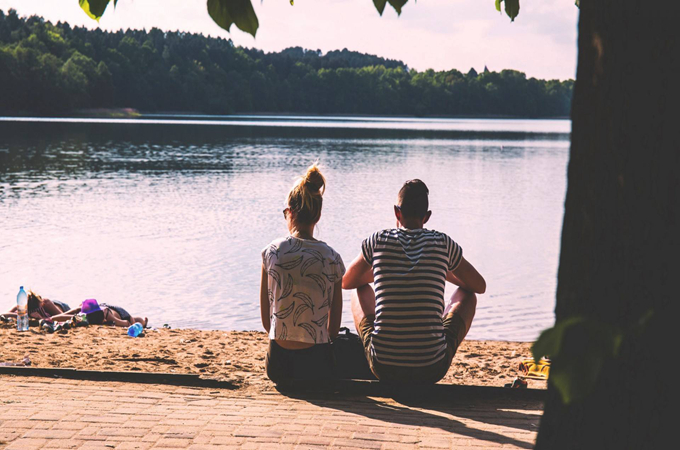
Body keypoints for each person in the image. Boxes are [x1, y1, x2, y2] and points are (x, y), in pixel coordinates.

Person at [342, 179, 486, 384]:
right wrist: (439, 267)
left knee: (359, 289)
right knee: (468, 294)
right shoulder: (442, 243)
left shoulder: (378, 240)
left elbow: (347, 282)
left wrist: (387, 268)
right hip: (431, 367)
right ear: (427, 217)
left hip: (383, 366)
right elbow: (479, 286)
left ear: (396, 212)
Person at [260, 163, 345, 384]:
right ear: (317, 216)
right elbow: (333, 330)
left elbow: (267, 323)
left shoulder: (271, 252)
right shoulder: (332, 258)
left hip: (278, 367)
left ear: (290, 212)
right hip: (317, 368)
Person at [48, 298, 147, 328]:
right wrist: (51, 319)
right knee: (76, 309)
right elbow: (59, 317)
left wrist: (132, 323)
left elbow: (127, 323)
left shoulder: (108, 316)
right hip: (96, 307)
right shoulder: (84, 314)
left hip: (118, 312)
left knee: (137, 320)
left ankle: (144, 322)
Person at [1, 290, 71, 321]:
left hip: (61, 307)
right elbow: (3, 314)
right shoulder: (21, 306)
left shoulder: (45, 303)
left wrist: (41, 318)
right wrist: (23, 315)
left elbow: (62, 316)